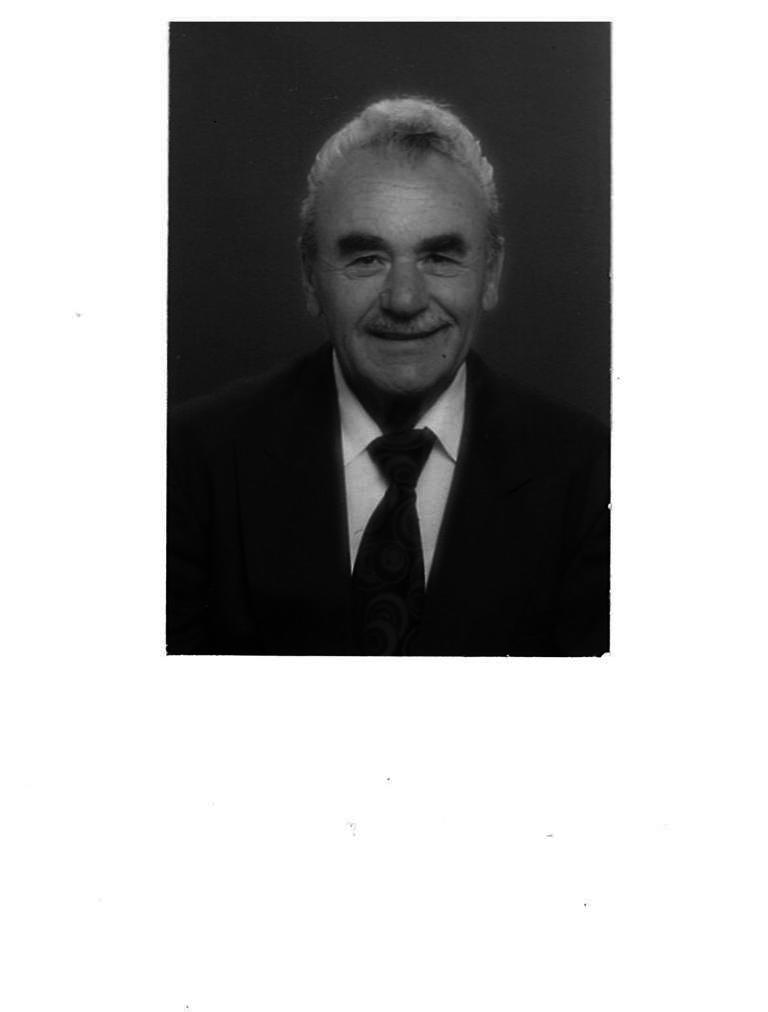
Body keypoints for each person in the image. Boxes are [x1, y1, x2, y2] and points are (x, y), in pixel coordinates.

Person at [167, 96, 609, 656]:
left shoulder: (595, 476)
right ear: (310, 277)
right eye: (366, 258)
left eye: (440, 257)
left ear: (491, 273)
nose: (404, 299)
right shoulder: (186, 463)